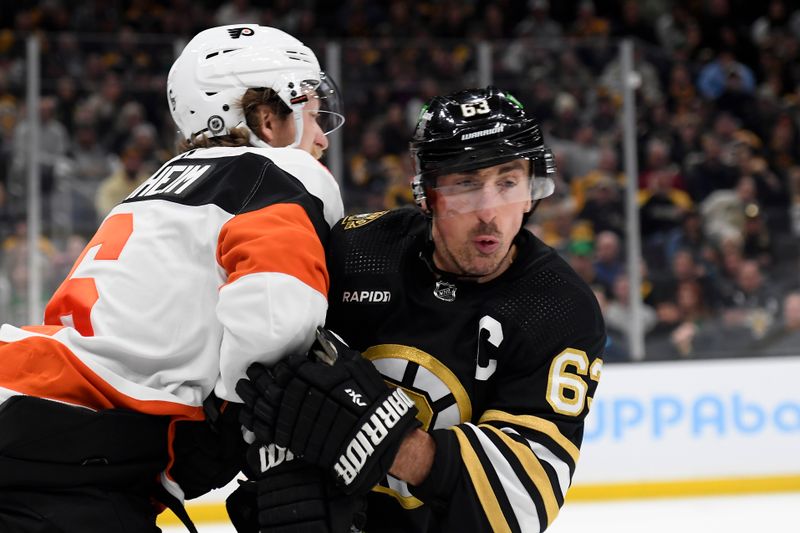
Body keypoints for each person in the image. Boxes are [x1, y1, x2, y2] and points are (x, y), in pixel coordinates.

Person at [0, 24, 345, 533]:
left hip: (34, 402)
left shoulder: (154, 186)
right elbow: (276, 318)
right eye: (311, 114)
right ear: (268, 118)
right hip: (72, 435)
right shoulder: (282, 175)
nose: (321, 136)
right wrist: (229, 428)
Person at [238, 86, 606, 532]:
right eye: (467, 184)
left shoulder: (559, 307)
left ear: (531, 193)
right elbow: (271, 382)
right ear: (429, 194)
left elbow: (518, 502)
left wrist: (386, 443)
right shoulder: (357, 251)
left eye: (508, 182)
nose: (490, 212)